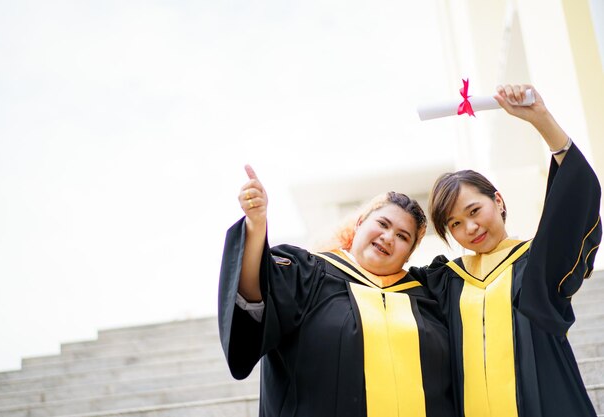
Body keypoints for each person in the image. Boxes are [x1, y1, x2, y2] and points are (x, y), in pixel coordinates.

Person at [410, 84, 602, 417]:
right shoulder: (445, 283)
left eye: (473, 211)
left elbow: (574, 196)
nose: (469, 228)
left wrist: (540, 117)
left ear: (497, 201)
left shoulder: (537, 263)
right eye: (454, 224)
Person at [218, 165, 457, 417]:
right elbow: (256, 293)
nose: (388, 237)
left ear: (408, 254)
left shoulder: (426, 296)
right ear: (360, 223)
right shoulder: (309, 274)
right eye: (383, 224)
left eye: (402, 236)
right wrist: (256, 224)